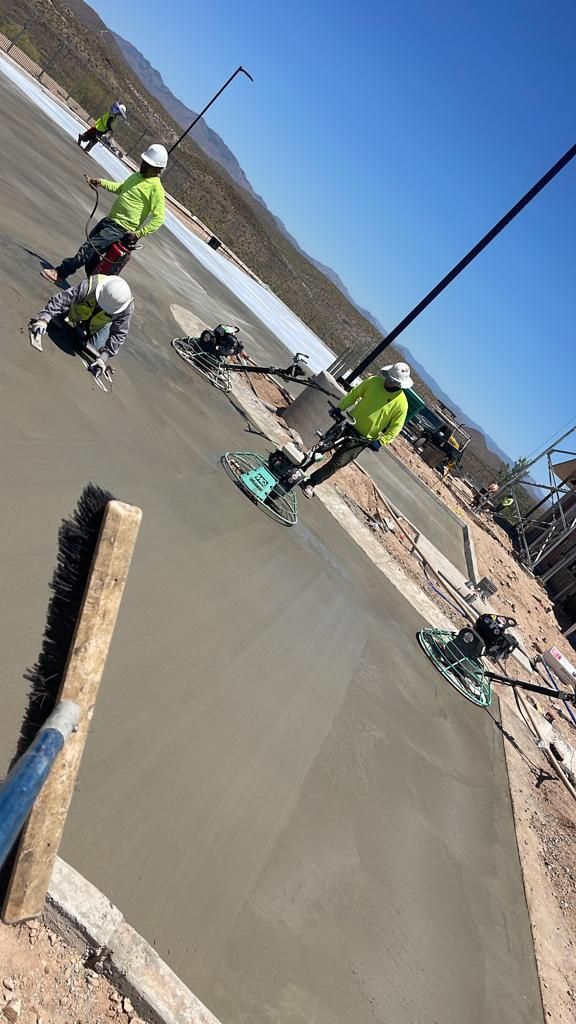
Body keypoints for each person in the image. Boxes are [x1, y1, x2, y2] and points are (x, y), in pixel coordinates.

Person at [41, 143, 168, 285]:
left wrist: (138, 234)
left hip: (120, 229)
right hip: (109, 221)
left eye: (148, 165)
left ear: (157, 169)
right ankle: (97, 288)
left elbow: (159, 218)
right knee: (91, 256)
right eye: (144, 162)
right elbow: (121, 188)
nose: (143, 165)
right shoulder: (137, 176)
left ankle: (60, 273)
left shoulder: (156, 189)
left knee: (89, 249)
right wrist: (101, 182)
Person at [301, 362, 413, 498]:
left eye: (393, 381)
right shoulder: (373, 381)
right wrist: (340, 407)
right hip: (348, 423)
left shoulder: (401, 404)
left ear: (400, 384)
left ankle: (311, 482)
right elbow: (354, 394)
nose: (389, 381)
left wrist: (381, 442)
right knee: (322, 446)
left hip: (362, 438)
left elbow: (396, 427)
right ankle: (300, 468)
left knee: (338, 462)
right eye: (389, 377)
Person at [28, 274, 133, 381]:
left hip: (99, 324)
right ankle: (65, 315)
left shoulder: (126, 307)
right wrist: (44, 319)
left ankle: (84, 330)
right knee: (63, 308)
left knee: (94, 347)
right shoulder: (92, 285)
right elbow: (63, 299)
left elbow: (119, 333)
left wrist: (104, 356)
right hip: (79, 310)